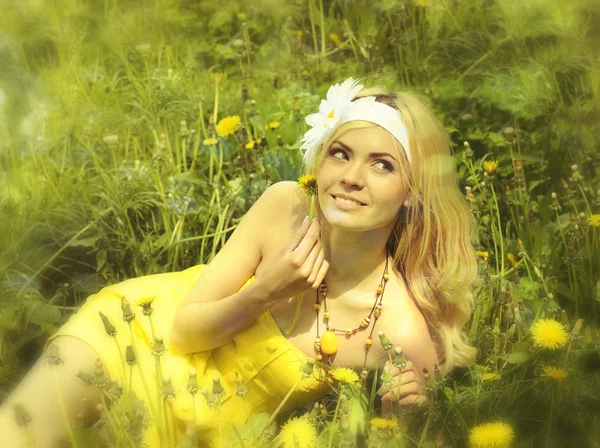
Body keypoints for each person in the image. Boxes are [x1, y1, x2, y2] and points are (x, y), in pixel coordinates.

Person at [0, 77, 478, 447]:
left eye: (382, 164)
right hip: (135, 335)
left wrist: (401, 416)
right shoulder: (285, 205)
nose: (352, 177)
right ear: (321, 159)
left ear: (412, 192)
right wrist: (264, 290)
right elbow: (182, 334)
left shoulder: (401, 330)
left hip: (210, 429)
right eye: (340, 153)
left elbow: (399, 437)